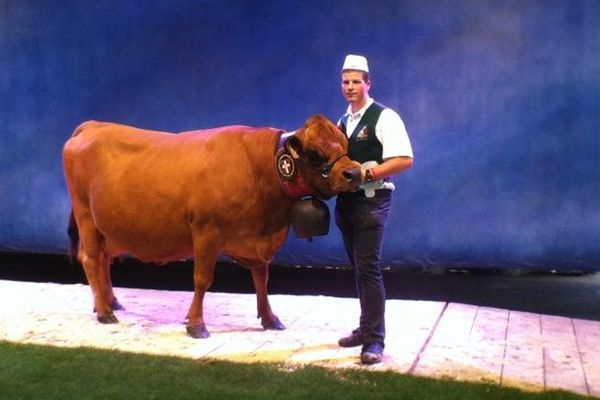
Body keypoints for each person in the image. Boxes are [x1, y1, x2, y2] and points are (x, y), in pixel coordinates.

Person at [335, 54, 414, 364]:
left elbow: (404, 159)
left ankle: (375, 341)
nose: (350, 87)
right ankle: (364, 329)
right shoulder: (343, 122)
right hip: (348, 203)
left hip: (372, 201)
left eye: (356, 81)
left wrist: (368, 173)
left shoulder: (385, 117)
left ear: (368, 83)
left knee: (368, 269)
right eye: (345, 81)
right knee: (358, 268)